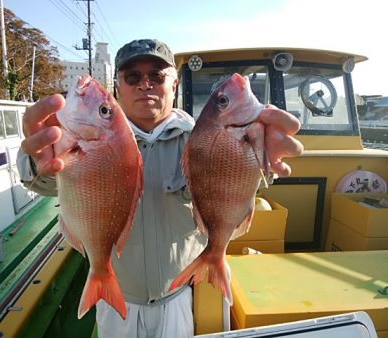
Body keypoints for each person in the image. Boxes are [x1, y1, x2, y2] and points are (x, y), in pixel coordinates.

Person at [18, 39, 303, 338]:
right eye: (132, 77)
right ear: (118, 86)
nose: (145, 85)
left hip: (177, 296)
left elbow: (228, 192)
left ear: (175, 84)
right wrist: (37, 163)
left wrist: (261, 163)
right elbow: (46, 182)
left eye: (157, 76)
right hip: (117, 297)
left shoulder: (202, 140)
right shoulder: (78, 136)